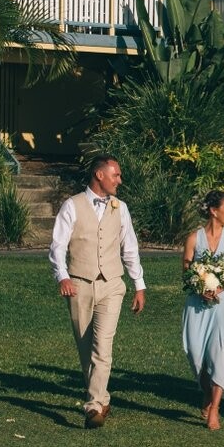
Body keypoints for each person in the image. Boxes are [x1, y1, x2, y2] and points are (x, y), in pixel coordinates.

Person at [49, 155, 146, 429]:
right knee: (85, 348)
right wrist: (62, 276)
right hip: (79, 284)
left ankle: (92, 406)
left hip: (112, 284)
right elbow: (58, 246)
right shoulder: (72, 205)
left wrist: (139, 284)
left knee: (102, 346)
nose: (120, 180)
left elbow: (130, 248)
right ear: (99, 175)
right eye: (116, 175)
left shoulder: (121, 208)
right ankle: (102, 398)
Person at [181, 190, 224, 430]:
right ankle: (207, 391)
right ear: (213, 211)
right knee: (195, 352)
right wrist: (200, 287)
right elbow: (186, 272)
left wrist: (219, 287)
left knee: (220, 352)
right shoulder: (193, 238)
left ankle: (215, 408)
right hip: (197, 304)